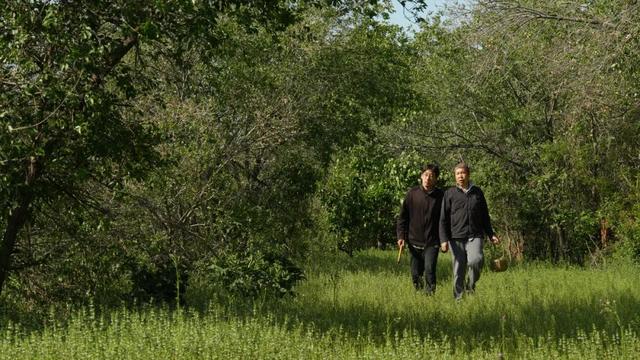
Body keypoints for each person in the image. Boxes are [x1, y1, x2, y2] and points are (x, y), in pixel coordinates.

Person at [439, 162, 499, 300]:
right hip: (456, 237)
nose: (460, 176)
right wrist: (443, 240)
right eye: (458, 173)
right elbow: (443, 219)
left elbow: (485, 215)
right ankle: (458, 299)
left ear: (468, 174)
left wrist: (491, 234)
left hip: (475, 235)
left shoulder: (477, 192)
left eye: (463, 173)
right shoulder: (450, 193)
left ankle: (470, 286)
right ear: (455, 176)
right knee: (458, 269)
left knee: (476, 260)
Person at [396, 164, 446, 295]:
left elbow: (445, 219)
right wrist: (401, 236)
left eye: (431, 176)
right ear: (421, 176)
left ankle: (430, 296)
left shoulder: (441, 196)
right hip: (414, 242)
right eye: (426, 175)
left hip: (432, 242)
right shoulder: (412, 194)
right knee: (415, 273)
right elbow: (402, 218)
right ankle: (418, 295)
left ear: (436, 179)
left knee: (430, 270)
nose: (428, 178)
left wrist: (445, 239)